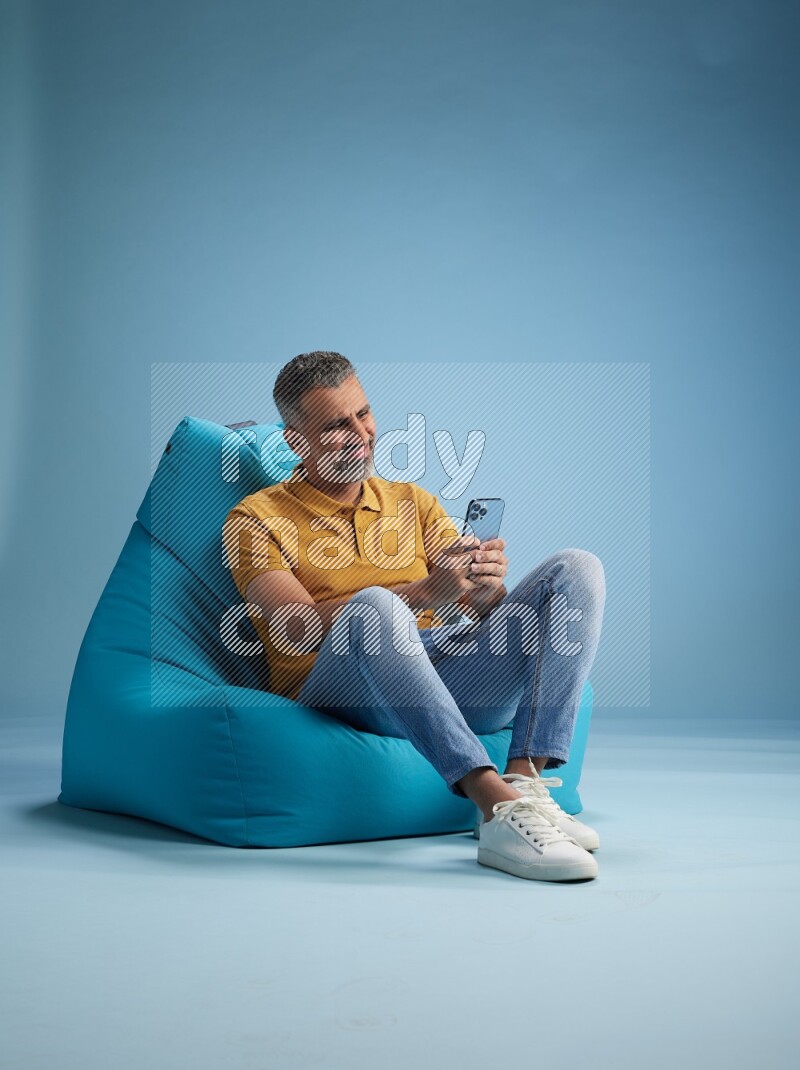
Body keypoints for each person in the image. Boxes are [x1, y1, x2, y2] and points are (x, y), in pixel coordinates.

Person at [222, 351, 606, 883]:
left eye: (364, 414)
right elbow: (295, 626)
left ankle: (525, 787)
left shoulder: (412, 502)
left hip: (436, 672)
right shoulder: (254, 519)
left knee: (576, 569)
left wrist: (487, 589)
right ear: (296, 440)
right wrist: (425, 589)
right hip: (341, 691)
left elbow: (473, 607)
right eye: (336, 424)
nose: (360, 434)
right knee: (375, 606)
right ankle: (493, 807)